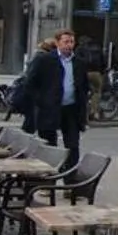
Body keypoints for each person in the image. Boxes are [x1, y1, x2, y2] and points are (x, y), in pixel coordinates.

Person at [22, 29, 88, 170]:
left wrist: (83, 114)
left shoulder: (79, 63)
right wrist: (41, 101)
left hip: (71, 110)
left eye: (71, 42)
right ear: (57, 43)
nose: (69, 45)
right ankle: (48, 181)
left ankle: (70, 182)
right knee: (49, 147)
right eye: (65, 42)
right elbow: (29, 83)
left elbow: (83, 88)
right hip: (49, 109)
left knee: (73, 146)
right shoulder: (45, 60)